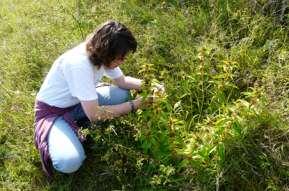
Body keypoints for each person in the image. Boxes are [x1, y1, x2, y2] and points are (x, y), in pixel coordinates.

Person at [34, 20, 146, 177]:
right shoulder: (79, 64)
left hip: (80, 102)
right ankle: (59, 134)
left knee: (122, 94)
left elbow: (122, 81)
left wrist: (150, 85)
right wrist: (136, 104)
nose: (123, 61)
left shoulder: (99, 53)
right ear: (107, 52)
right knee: (70, 161)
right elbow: (95, 115)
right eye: (121, 58)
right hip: (54, 113)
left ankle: (77, 122)